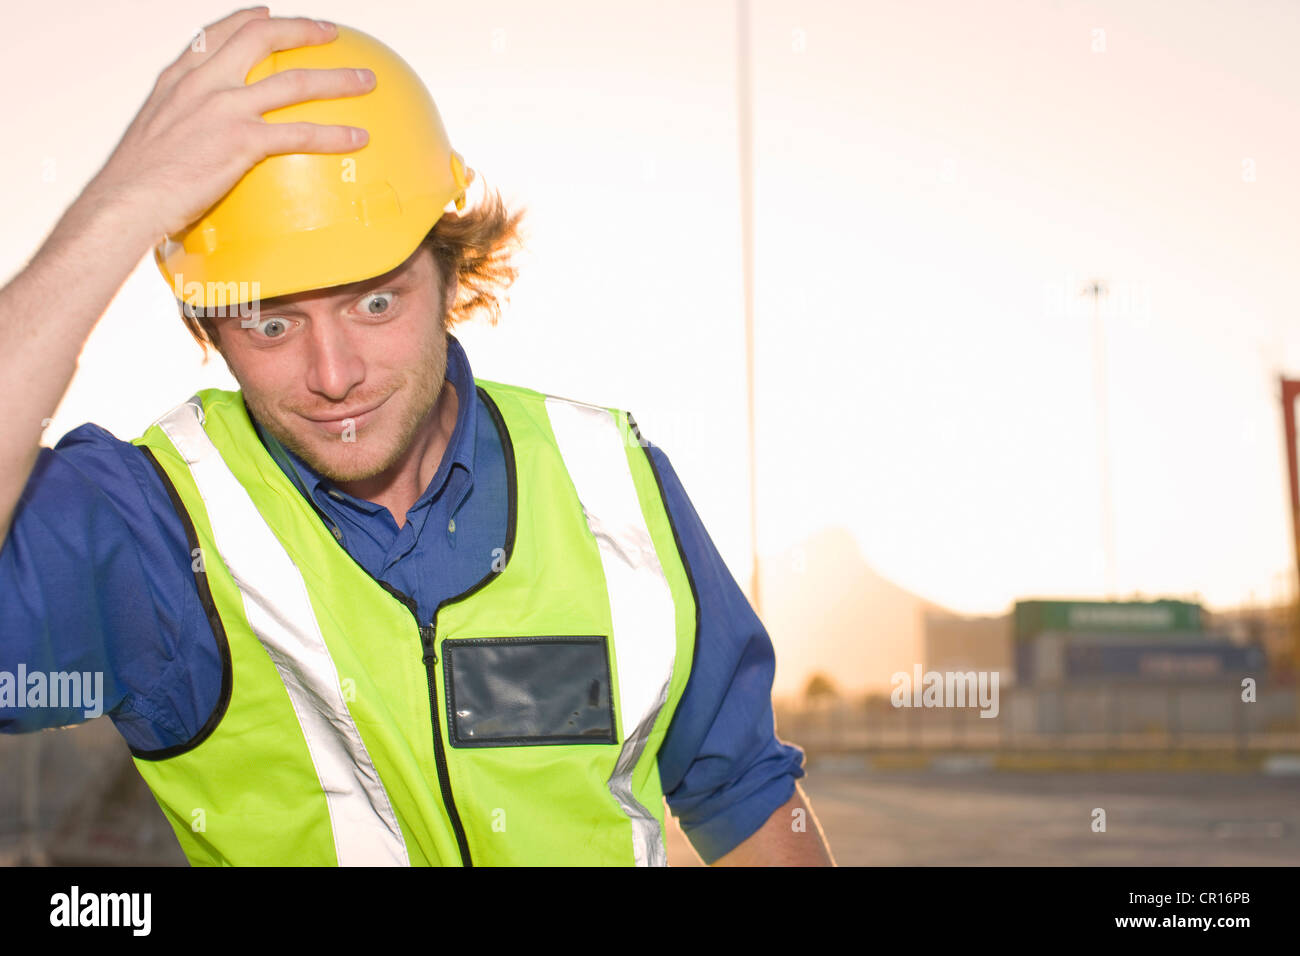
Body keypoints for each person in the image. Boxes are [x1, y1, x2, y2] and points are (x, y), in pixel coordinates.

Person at [0, 7, 834, 866]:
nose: (333, 375)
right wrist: (115, 210)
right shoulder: (154, 533)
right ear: (209, 324)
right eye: (271, 326)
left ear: (448, 266)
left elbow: (744, 793)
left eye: (374, 302)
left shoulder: (611, 478)